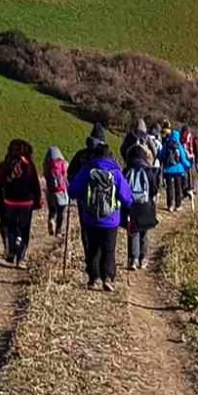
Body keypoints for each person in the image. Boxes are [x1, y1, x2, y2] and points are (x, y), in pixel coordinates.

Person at [68, 124, 134, 292]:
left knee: (92, 247)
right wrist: (130, 208)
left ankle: (93, 278)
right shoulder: (115, 170)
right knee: (109, 249)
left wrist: (79, 196)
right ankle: (108, 277)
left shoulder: (87, 168)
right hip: (111, 218)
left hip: (89, 215)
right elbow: (126, 196)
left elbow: (73, 190)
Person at [0, 139, 39, 266]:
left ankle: (11, 250)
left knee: (11, 227)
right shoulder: (30, 165)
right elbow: (35, 185)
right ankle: (20, 257)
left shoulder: (6, 164)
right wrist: (37, 201)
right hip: (27, 203)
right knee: (24, 229)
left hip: (9, 202)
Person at [124, 170, 159, 271]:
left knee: (133, 232)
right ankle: (143, 259)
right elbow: (154, 189)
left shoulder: (128, 171)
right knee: (144, 232)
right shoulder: (148, 171)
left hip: (132, 204)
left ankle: (134, 259)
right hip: (145, 205)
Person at [160, 126, 189, 211]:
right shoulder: (179, 145)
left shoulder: (166, 144)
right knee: (178, 187)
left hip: (168, 170)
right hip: (178, 170)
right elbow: (183, 159)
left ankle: (170, 205)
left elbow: (161, 156)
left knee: (169, 188)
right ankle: (178, 205)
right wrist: (188, 165)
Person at [44, 145, 70, 236]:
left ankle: (51, 219)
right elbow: (67, 177)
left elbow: (46, 176)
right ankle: (58, 231)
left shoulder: (47, 164)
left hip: (50, 191)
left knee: (52, 210)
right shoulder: (63, 163)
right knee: (61, 212)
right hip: (61, 192)